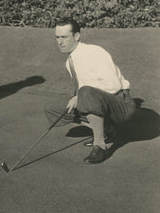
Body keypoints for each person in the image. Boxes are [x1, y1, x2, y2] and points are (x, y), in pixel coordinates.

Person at [44, 16, 136, 164]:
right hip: (98, 100)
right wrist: (77, 97)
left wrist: (80, 96)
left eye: (64, 37)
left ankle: (100, 145)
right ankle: (106, 128)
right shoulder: (70, 62)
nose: (60, 42)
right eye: (57, 37)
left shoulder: (93, 52)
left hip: (121, 103)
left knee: (85, 92)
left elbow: (114, 86)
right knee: (52, 108)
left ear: (77, 36)